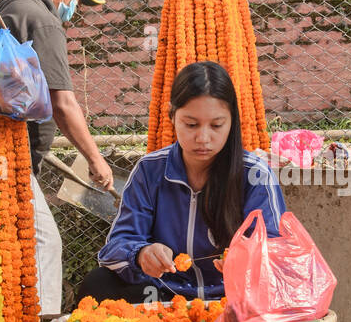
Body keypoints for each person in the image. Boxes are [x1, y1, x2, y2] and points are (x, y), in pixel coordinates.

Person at [76, 61, 286, 307]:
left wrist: (246, 261)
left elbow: (275, 249)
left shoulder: (255, 175)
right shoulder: (150, 170)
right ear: (172, 115)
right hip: (162, 294)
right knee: (98, 284)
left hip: (233, 297)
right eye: (191, 124)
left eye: (217, 125)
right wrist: (141, 254)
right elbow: (117, 245)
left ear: (232, 121)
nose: (203, 138)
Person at [0, 0, 114, 319]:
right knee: (44, 242)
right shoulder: (42, 21)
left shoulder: (8, 7)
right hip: (7, 162)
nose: (75, 4)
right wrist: (96, 159)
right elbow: (63, 104)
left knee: (6, 253)